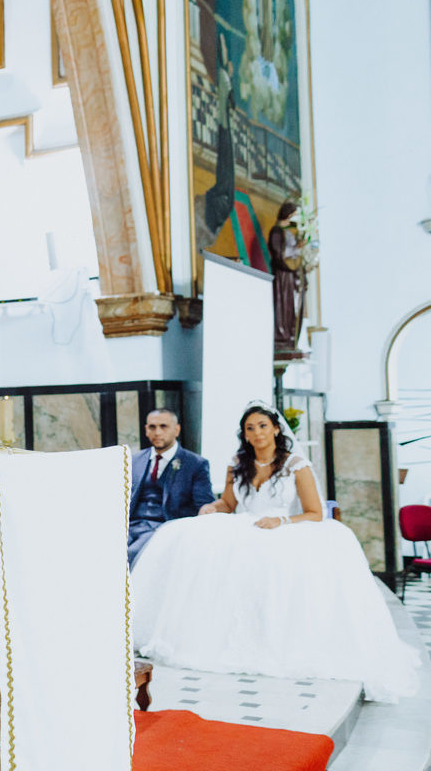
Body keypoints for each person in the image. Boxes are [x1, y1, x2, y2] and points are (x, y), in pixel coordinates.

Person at [133, 402, 421, 702]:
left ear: (275, 429)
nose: (257, 433)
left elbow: (314, 512)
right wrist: (212, 507)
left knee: (271, 568)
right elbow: (230, 504)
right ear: (244, 434)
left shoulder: (295, 465)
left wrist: (281, 520)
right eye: (250, 428)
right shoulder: (236, 464)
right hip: (245, 527)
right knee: (180, 536)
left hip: (286, 528)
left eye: (262, 426)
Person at [126, 408, 215, 567]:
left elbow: (204, 504)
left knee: (130, 556)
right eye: (152, 427)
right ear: (146, 430)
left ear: (177, 430)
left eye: (163, 426)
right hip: (131, 526)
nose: (157, 432)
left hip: (165, 529)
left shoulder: (195, 464)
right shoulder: (134, 460)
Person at [268, 201, 303, 346]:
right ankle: (281, 336)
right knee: (282, 304)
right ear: (288, 215)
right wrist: (296, 248)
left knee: (289, 305)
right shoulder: (276, 231)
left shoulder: (287, 232)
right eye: (293, 215)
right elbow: (279, 254)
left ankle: (288, 336)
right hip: (282, 274)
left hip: (289, 274)